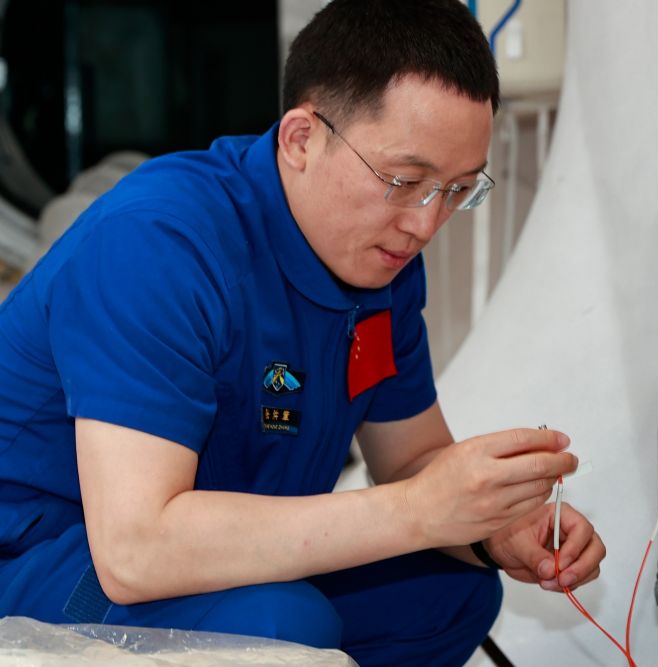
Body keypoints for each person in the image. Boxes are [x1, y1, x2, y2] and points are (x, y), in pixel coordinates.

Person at [0, 1, 605, 665]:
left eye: (458, 189)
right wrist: (418, 510)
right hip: (51, 553)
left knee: (450, 592)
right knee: (281, 624)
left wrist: (492, 526)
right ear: (300, 140)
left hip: (204, 549)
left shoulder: (382, 264)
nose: (425, 224)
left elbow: (409, 461)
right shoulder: (160, 244)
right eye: (406, 181)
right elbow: (136, 552)